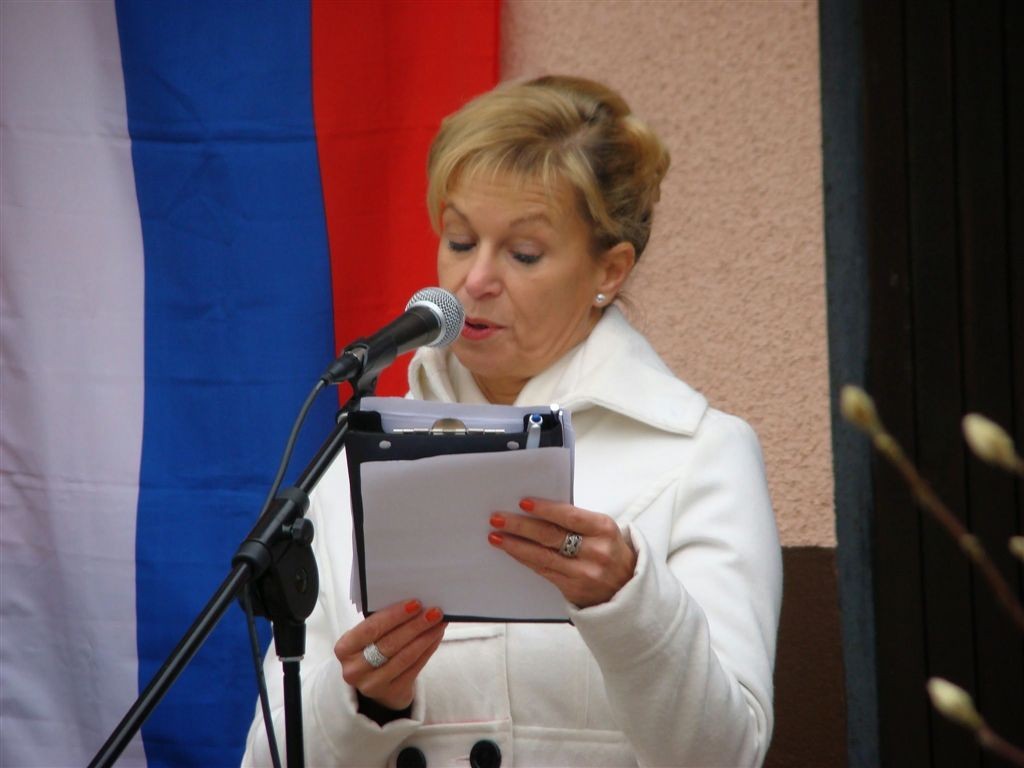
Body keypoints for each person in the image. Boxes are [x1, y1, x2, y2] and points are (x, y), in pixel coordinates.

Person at [243, 75, 781, 768]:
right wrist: (363, 701)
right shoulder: (355, 456)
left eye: (523, 253)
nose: (474, 281)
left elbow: (729, 754)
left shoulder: (700, 453)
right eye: (460, 240)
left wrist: (629, 601)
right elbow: (266, 758)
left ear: (610, 271)